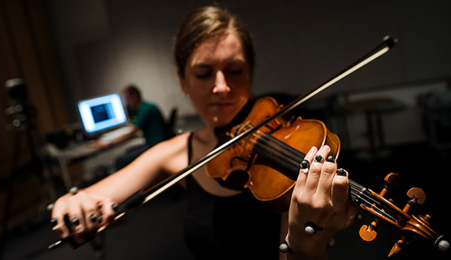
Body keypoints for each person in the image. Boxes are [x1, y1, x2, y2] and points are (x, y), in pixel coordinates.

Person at [51, 6, 359, 260]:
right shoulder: (174, 152)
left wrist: (307, 243)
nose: (221, 86)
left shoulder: (285, 156)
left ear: (250, 73)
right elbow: (92, 195)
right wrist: (72, 202)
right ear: (182, 81)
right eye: (203, 73)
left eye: (235, 70)